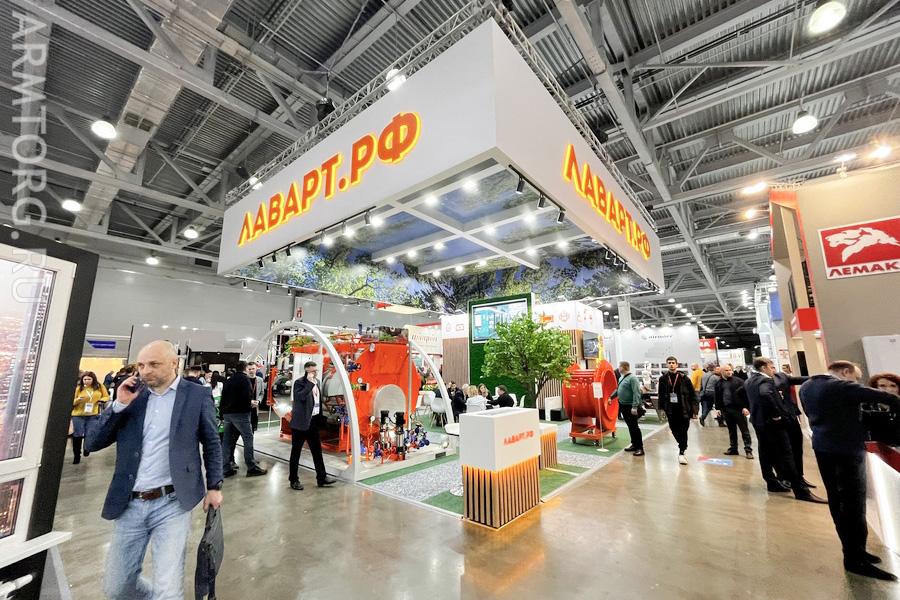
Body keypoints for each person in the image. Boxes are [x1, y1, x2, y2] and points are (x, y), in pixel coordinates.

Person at [85, 340, 223, 600]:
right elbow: (92, 443)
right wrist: (119, 405)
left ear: (174, 363)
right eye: (141, 365)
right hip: (129, 503)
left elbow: (212, 442)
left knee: (168, 589)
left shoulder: (196, 395)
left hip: (172, 503)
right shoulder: (132, 395)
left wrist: (214, 486)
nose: (145, 371)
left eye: (153, 364)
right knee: (117, 588)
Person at [800, 361, 900, 581]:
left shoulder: (808, 386)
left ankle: (855, 551)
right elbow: (890, 398)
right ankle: (855, 559)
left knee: (838, 503)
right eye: (855, 377)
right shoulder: (841, 386)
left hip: (823, 447)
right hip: (846, 452)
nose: (856, 381)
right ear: (845, 372)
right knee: (853, 505)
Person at [745, 357, 826, 506]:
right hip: (772, 424)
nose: (773, 369)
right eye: (771, 366)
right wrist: (775, 414)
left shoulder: (750, 381)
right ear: (764, 368)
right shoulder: (765, 381)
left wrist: (753, 409)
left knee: (766, 452)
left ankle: (773, 482)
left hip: (760, 422)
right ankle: (800, 490)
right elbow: (765, 394)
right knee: (786, 454)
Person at [289, 361, 337, 490]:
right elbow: (300, 397)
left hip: (313, 421)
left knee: (317, 451)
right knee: (296, 452)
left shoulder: (318, 382)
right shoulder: (299, 382)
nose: (315, 373)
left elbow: (317, 401)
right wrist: (309, 383)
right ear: (306, 371)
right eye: (312, 371)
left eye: (316, 370)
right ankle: (293, 480)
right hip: (300, 423)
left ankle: (322, 478)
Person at [220, 361, 267, 478]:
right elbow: (246, 396)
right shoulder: (245, 380)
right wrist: (250, 404)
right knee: (248, 438)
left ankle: (225, 468)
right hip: (241, 414)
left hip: (227, 414)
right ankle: (251, 467)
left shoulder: (229, 380)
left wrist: (222, 414)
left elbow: (223, 397)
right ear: (245, 368)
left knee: (227, 441)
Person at [772, 365, 815, 488]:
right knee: (782, 450)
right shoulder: (761, 381)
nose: (773, 369)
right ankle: (784, 477)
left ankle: (799, 476)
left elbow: (797, 379)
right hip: (778, 420)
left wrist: (818, 378)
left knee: (797, 448)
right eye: (770, 367)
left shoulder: (781, 376)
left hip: (791, 416)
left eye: (773, 367)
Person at [656, 357, 696, 465]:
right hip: (670, 410)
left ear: (677, 365)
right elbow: (661, 395)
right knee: (674, 429)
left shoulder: (684, 378)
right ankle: (682, 445)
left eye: (673, 363)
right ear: (666, 365)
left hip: (684, 409)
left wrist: (694, 410)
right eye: (669, 363)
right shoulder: (663, 379)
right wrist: (661, 409)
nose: (671, 364)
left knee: (683, 430)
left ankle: (682, 451)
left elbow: (692, 395)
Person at [714, 365, 753, 459]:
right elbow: (717, 396)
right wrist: (718, 408)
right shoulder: (718, 383)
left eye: (730, 370)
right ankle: (733, 448)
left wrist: (746, 407)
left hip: (738, 409)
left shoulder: (739, 381)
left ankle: (748, 450)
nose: (729, 372)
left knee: (744, 431)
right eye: (726, 370)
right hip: (726, 410)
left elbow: (746, 395)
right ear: (722, 372)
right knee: (731, 431)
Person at [71, 371, 109, 464]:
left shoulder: (99, 386)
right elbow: (72, 401)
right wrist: (78, 400)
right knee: (78, 434)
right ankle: (77, 455)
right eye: (85, 379)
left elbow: (106, 396)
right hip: (78, 415)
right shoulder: (78, 388)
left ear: (93, 379)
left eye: (89, 379)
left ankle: (87, 448)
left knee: (90, 433)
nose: (86, 381)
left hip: (92, 414)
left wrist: (101, 400)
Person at [611, 361, 644, 456]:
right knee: (630, 426)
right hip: (623, 406)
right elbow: (618, 390)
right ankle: (634, 444)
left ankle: (640, 448)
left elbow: (636, 393)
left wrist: (634, 407)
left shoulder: (633, 378)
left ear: (623, 367)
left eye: (619, 366)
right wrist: (611, 397)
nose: (618, 368)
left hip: (630, 406)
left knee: (634, 427)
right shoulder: (621, 378)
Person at [248, 361, 264, 432]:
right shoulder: (244, 379)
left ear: (256, 368)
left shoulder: (260, 380)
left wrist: (258, 401)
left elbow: (262, 393)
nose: (251, 370)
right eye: (249, 369)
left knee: (253, 427)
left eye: (253, 369)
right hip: (245, 406)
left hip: (255, 406)